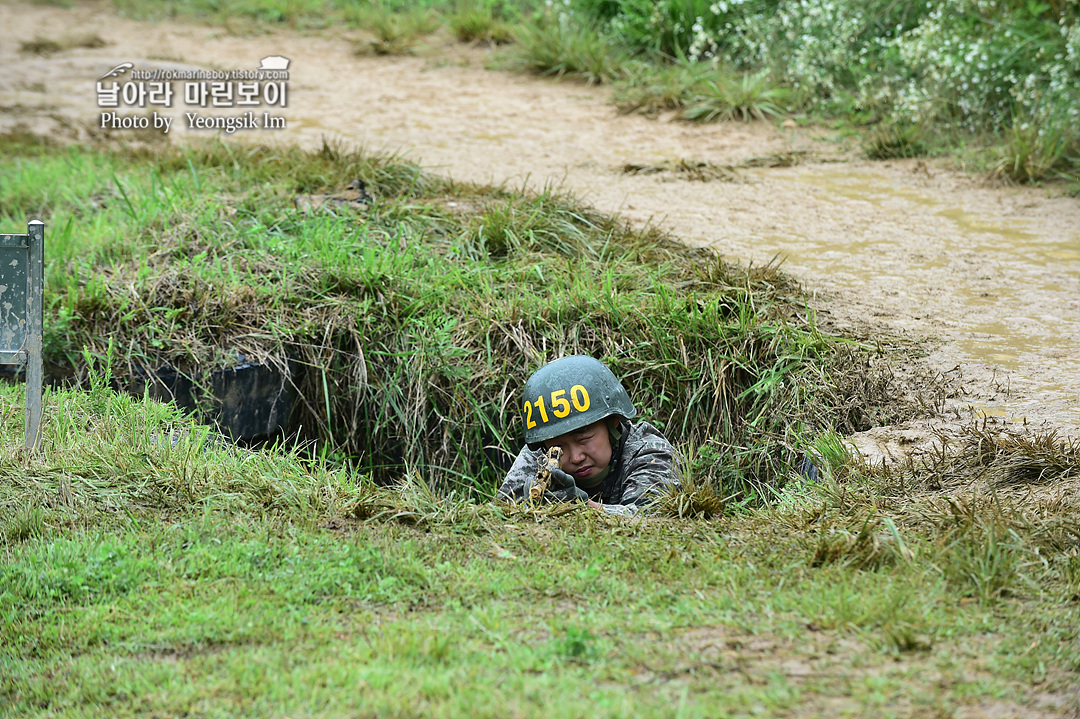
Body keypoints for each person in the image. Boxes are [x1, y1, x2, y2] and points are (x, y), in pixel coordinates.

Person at [496, 355, 681, 516]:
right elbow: (501, 512)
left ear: (613, 422)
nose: (576, 457)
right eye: (559, 447)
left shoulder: (650, 452)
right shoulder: (544, 456)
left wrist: (580, 506)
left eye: (583, 438)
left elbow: (652, 518)